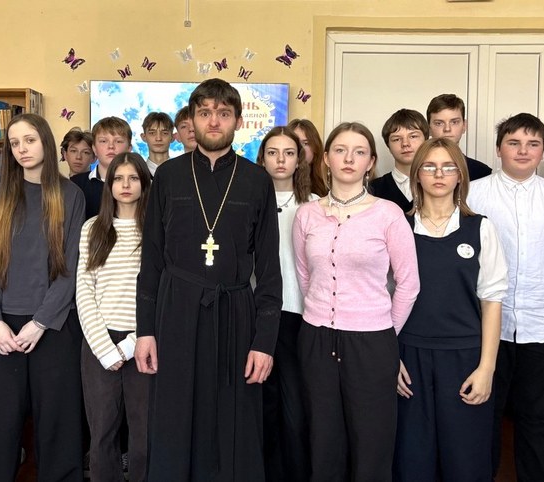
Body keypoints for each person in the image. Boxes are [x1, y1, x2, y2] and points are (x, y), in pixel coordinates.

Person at [134, 78, 282, 481]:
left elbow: (269, 270)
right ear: (192, 120)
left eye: (223, 113)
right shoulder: (168, 176)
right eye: (204, 113)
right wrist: (145, 331)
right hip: (176, 311)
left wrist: (264, 342)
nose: (213, 121)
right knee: (175, 415)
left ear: (238, 121)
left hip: (236, 313)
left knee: (234, 420)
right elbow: (151, 259)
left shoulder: (256, 180)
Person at [468, 113, 544, 481]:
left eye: (532, 144)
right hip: (486, 329)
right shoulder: (473, 193)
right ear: (498, 149)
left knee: (537, 417)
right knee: (483, 414)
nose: (523, 151)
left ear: (542, 153)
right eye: (514, 143)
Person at [292, 122, 419, 481]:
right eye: (340, 150)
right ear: (326, 159)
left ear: (371, 162)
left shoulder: (388, 214)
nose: (349, 158)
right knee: (323, 440)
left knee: (372, 443)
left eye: (359, 151)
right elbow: (305, 276)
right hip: (316, 338)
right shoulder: (307, 214)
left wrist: (385, 333)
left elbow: (409, 284)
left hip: (372, 342)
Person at [0, 113, 86, 482]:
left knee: (57, 420)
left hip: (53, 325)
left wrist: (40, 323)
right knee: (1, 420)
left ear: (46, 143)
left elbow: (70, 267)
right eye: (15, 143)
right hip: (3, 327)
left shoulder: (70, 195)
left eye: (30, 140)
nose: (22, 149)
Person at [394, 137, 507, 482]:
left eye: (448, 167)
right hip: (409, 357)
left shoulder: (481, 228)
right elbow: (381, 297)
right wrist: (389, 357)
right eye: (429, 166)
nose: (439, 174)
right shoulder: (397, 227)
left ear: (460, 175)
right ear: (417, 174)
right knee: (412, 460)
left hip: (465, 358)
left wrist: (487, 368)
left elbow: (492, 301)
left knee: (465, 461)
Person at [77, 152, 152, 482]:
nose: (125, 184)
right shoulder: (93, 229)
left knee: (144, 434)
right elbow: (84, 290)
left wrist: (132, 345)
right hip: (100, 342)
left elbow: (162, 292)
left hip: (145, 342)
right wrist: (105, 348)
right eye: (118, 178)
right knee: (102, 434)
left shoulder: (156, 229)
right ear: (108, 185)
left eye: (133, 178)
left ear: (144, 183)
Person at [255, 127, 316, 482]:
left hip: (300, 316)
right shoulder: (248, 202)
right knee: (261, 406)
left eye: (289, 152)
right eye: (273, 152)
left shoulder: (315, 205)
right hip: (257, 317)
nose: (281, 159)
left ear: (299, 160)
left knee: (295, 410)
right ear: (261, 158)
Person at [370, 109, 429, 212]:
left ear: (426, 141)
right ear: (388, 146)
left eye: (413, 136)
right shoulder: (372, 189)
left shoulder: (440, 183)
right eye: (397, 139)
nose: (405, 143)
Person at [72, 117, 132, 219]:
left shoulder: (141, 184)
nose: (111, 146)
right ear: (94, 148)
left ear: (129, 149)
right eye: (103, 141)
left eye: (118, 141)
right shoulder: (75, 185)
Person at [426, 93, 493, 181]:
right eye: (439, 123)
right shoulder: (417, 169)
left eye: (454, 122)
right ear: (429, 129)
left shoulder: (482, 173)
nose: (447, 129)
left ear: (464, 126)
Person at [287, 119, 327, 197]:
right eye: (295, 143)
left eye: (306, 143)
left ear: (315, 148)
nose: (300, 149)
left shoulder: (326, 184)